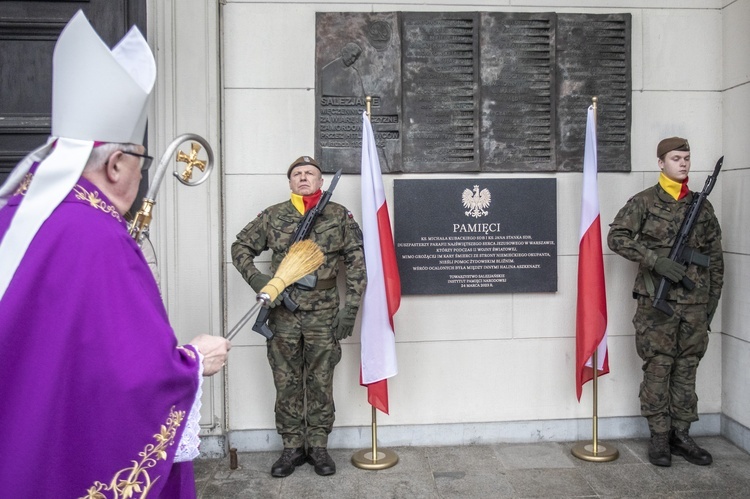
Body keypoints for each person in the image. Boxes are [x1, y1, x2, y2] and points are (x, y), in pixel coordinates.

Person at [0, 11, 230, 497]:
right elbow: (132, 380)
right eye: (141, 162)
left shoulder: (12, 217)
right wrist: (193, 362)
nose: (141, 176)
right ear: (117, 162)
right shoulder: (100, 237)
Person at [231, 156, 366, 477]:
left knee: (321, 380)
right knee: (286, 380)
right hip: (282, 312)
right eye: (297, 174)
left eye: (310, 174)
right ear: (290, 182)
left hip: (324, 312)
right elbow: (240, 247)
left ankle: (318, 446)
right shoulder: (274, 215)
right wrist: (258, 280)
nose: (304, 177)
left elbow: (358, 264)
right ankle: (291, 447)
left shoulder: (338, 216)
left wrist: (350, 310)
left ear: (320, 182)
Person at [608, 137, 723, 467]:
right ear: (661, 163)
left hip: (695, 304)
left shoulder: (702, 207)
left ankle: (682, 434)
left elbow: (714, 258)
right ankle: (659, 435)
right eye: (676, 158)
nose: (683, 163)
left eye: (687, 157)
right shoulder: (644, 202)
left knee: (687, 368)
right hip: (657, 305)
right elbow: (616, 236)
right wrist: (654, 260)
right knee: (658, 367)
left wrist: (711, 302)